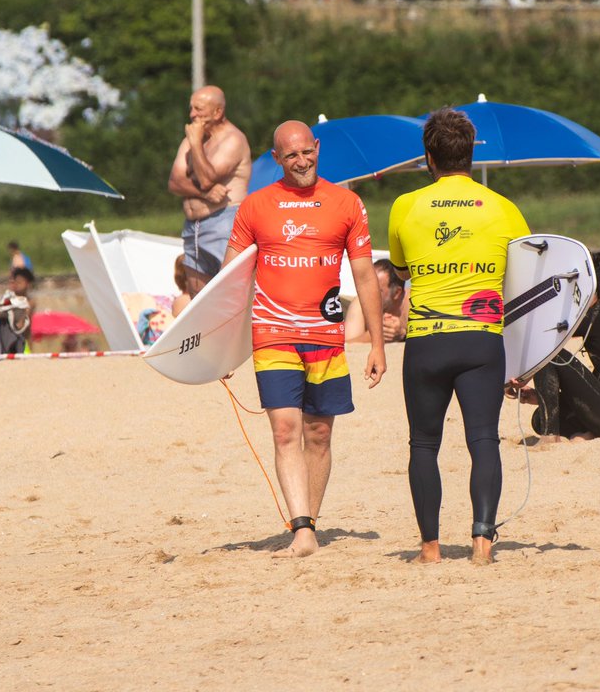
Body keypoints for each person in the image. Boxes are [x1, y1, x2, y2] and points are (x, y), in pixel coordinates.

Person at [221, 120, 386, 559]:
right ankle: (303, 530)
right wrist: (222, 345)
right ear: (276, 159)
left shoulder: (347, 202)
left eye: (306, 152)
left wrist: (376, 343)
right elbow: (231, 279)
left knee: (318, 434)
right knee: (285, 429)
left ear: (317, 147)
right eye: (290, 155)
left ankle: (307, 522)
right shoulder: (256, 206)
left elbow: (366, 275)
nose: (301, 161)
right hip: (272, 333)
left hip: (326, 336)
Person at [388, 107, 530, 566]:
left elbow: (401, 269)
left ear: (429, 156)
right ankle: (482, 546)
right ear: (471, 153)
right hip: (482, 340)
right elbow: (528, 283)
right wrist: (527, 356)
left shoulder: (404, 206)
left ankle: (430, 549)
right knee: (483, 439)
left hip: (427, 339)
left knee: (424, 444)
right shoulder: (504, 208)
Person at [525, 253, 600, 442]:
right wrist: (544, 395)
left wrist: (518, 377)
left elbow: (546, 336)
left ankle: (551, 438)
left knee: (548, 353)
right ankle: (585, 435)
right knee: (538, 420)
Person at [167, 85, 252, 298]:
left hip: (223, 222)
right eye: (191, 108)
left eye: (198, 109)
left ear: (218, 112)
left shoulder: (233, 139)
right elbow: (175, 182)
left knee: (230, 292)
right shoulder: (192, 137)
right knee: (198, 296)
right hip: (193, 228)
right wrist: (205, 195)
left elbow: (206, 179)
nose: (192, 115)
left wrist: (195, 142)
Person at [343, 258, 408, 344]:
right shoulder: (360, 303)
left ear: (397, 293)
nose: (368, 294)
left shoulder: (411, 304)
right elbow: (347, 345)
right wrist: (374, 336)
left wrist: (402, 333)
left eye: (376, 290)